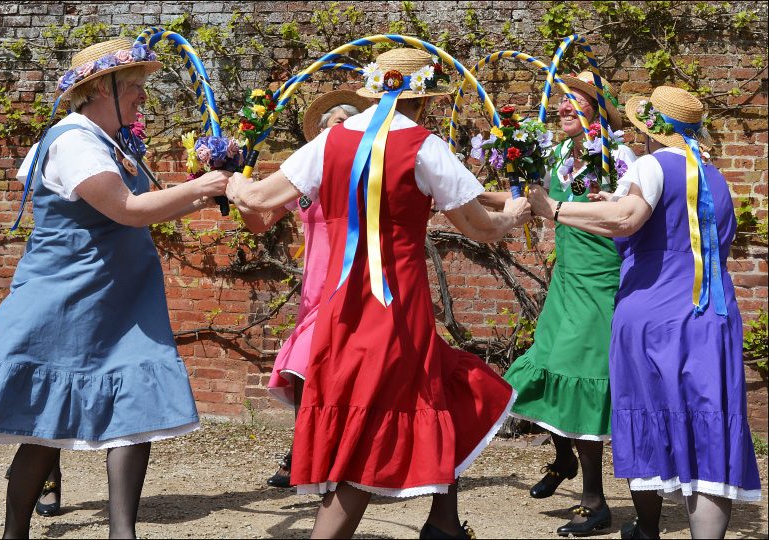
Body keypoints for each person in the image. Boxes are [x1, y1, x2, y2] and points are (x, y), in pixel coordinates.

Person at [228, 47, 531, 539]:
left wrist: (230, 182)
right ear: (423, 101)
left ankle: (444, 522)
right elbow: (480, 227)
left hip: (341, 304)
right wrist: (514, 214)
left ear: (373, 93)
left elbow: (259, 199)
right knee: (376, 417)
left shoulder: (330, 141)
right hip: (397, 305)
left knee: (434, 385)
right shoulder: (424, 145)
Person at [0, 37, 231, 539]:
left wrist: (206, 194)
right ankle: (14, 532)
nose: (143, 96)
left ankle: (122, 533)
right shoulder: (72, 142)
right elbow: (126, 210)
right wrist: (199, 187)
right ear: (102, 89)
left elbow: (149, 208)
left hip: (121, 300)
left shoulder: (113, 143)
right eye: (134, 86)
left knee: (137, 409)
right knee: (45, 424)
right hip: (67, 300)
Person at [526, 85, 762, 539]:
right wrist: (614, 205)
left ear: (652, 131)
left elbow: (628, 220)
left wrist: (553, 208)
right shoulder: (714, 176)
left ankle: (647, 528)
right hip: (713, 316)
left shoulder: (652, 165)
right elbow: (676, 227)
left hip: (654, 314)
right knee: (708, 425)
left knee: (646, 415)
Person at [479, 72, 636, 537]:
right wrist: (466, 194)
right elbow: (531, 202)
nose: (563, 107)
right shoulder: (561, 153)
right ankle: (564, 458)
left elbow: (626, 217)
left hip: (601, 284)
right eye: (561, 100)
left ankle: (595, 502)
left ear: (597, 109)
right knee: (546, 370)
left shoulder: (618, 156)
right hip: (566, 282)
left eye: (575, 100)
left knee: (579, 378)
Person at [255, 89, 370, 488]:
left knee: (317, 368)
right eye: (335, 121)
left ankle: (315, 455)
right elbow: (259, 221)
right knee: (307, 370)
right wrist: (232, 187)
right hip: (315, 292)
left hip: (354, 286)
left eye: (350, 121)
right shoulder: (305, 180)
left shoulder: (367, 175)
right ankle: (310, 452)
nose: (342, 126)